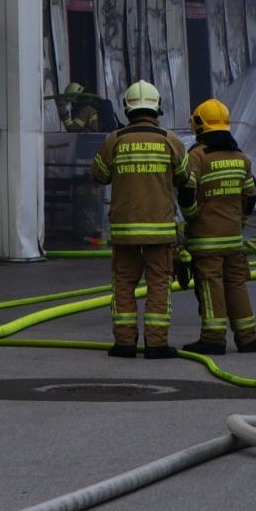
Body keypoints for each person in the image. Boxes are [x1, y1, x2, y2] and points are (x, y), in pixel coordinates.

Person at [92, 80, 185, 357]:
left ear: (127, 108)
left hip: (125, 231)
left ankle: (124, 343)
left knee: (124, 284)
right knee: (159, 285)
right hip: (160, 230)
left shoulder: (114, 140)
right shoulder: (170, 140)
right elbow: (184, 177)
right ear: (157, 108)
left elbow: (99, 175)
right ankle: (156, 344)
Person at [175, 98, 256, 355]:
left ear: (199, 125)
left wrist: (192, 217)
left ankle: (213, 338)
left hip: (206, 240)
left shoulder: (197, 157)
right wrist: (238, 222)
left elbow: (187, 195)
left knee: (210, 286)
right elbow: (250, 198)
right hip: (233, 239)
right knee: (236, 285)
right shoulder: (241, 157)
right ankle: (248, 338)